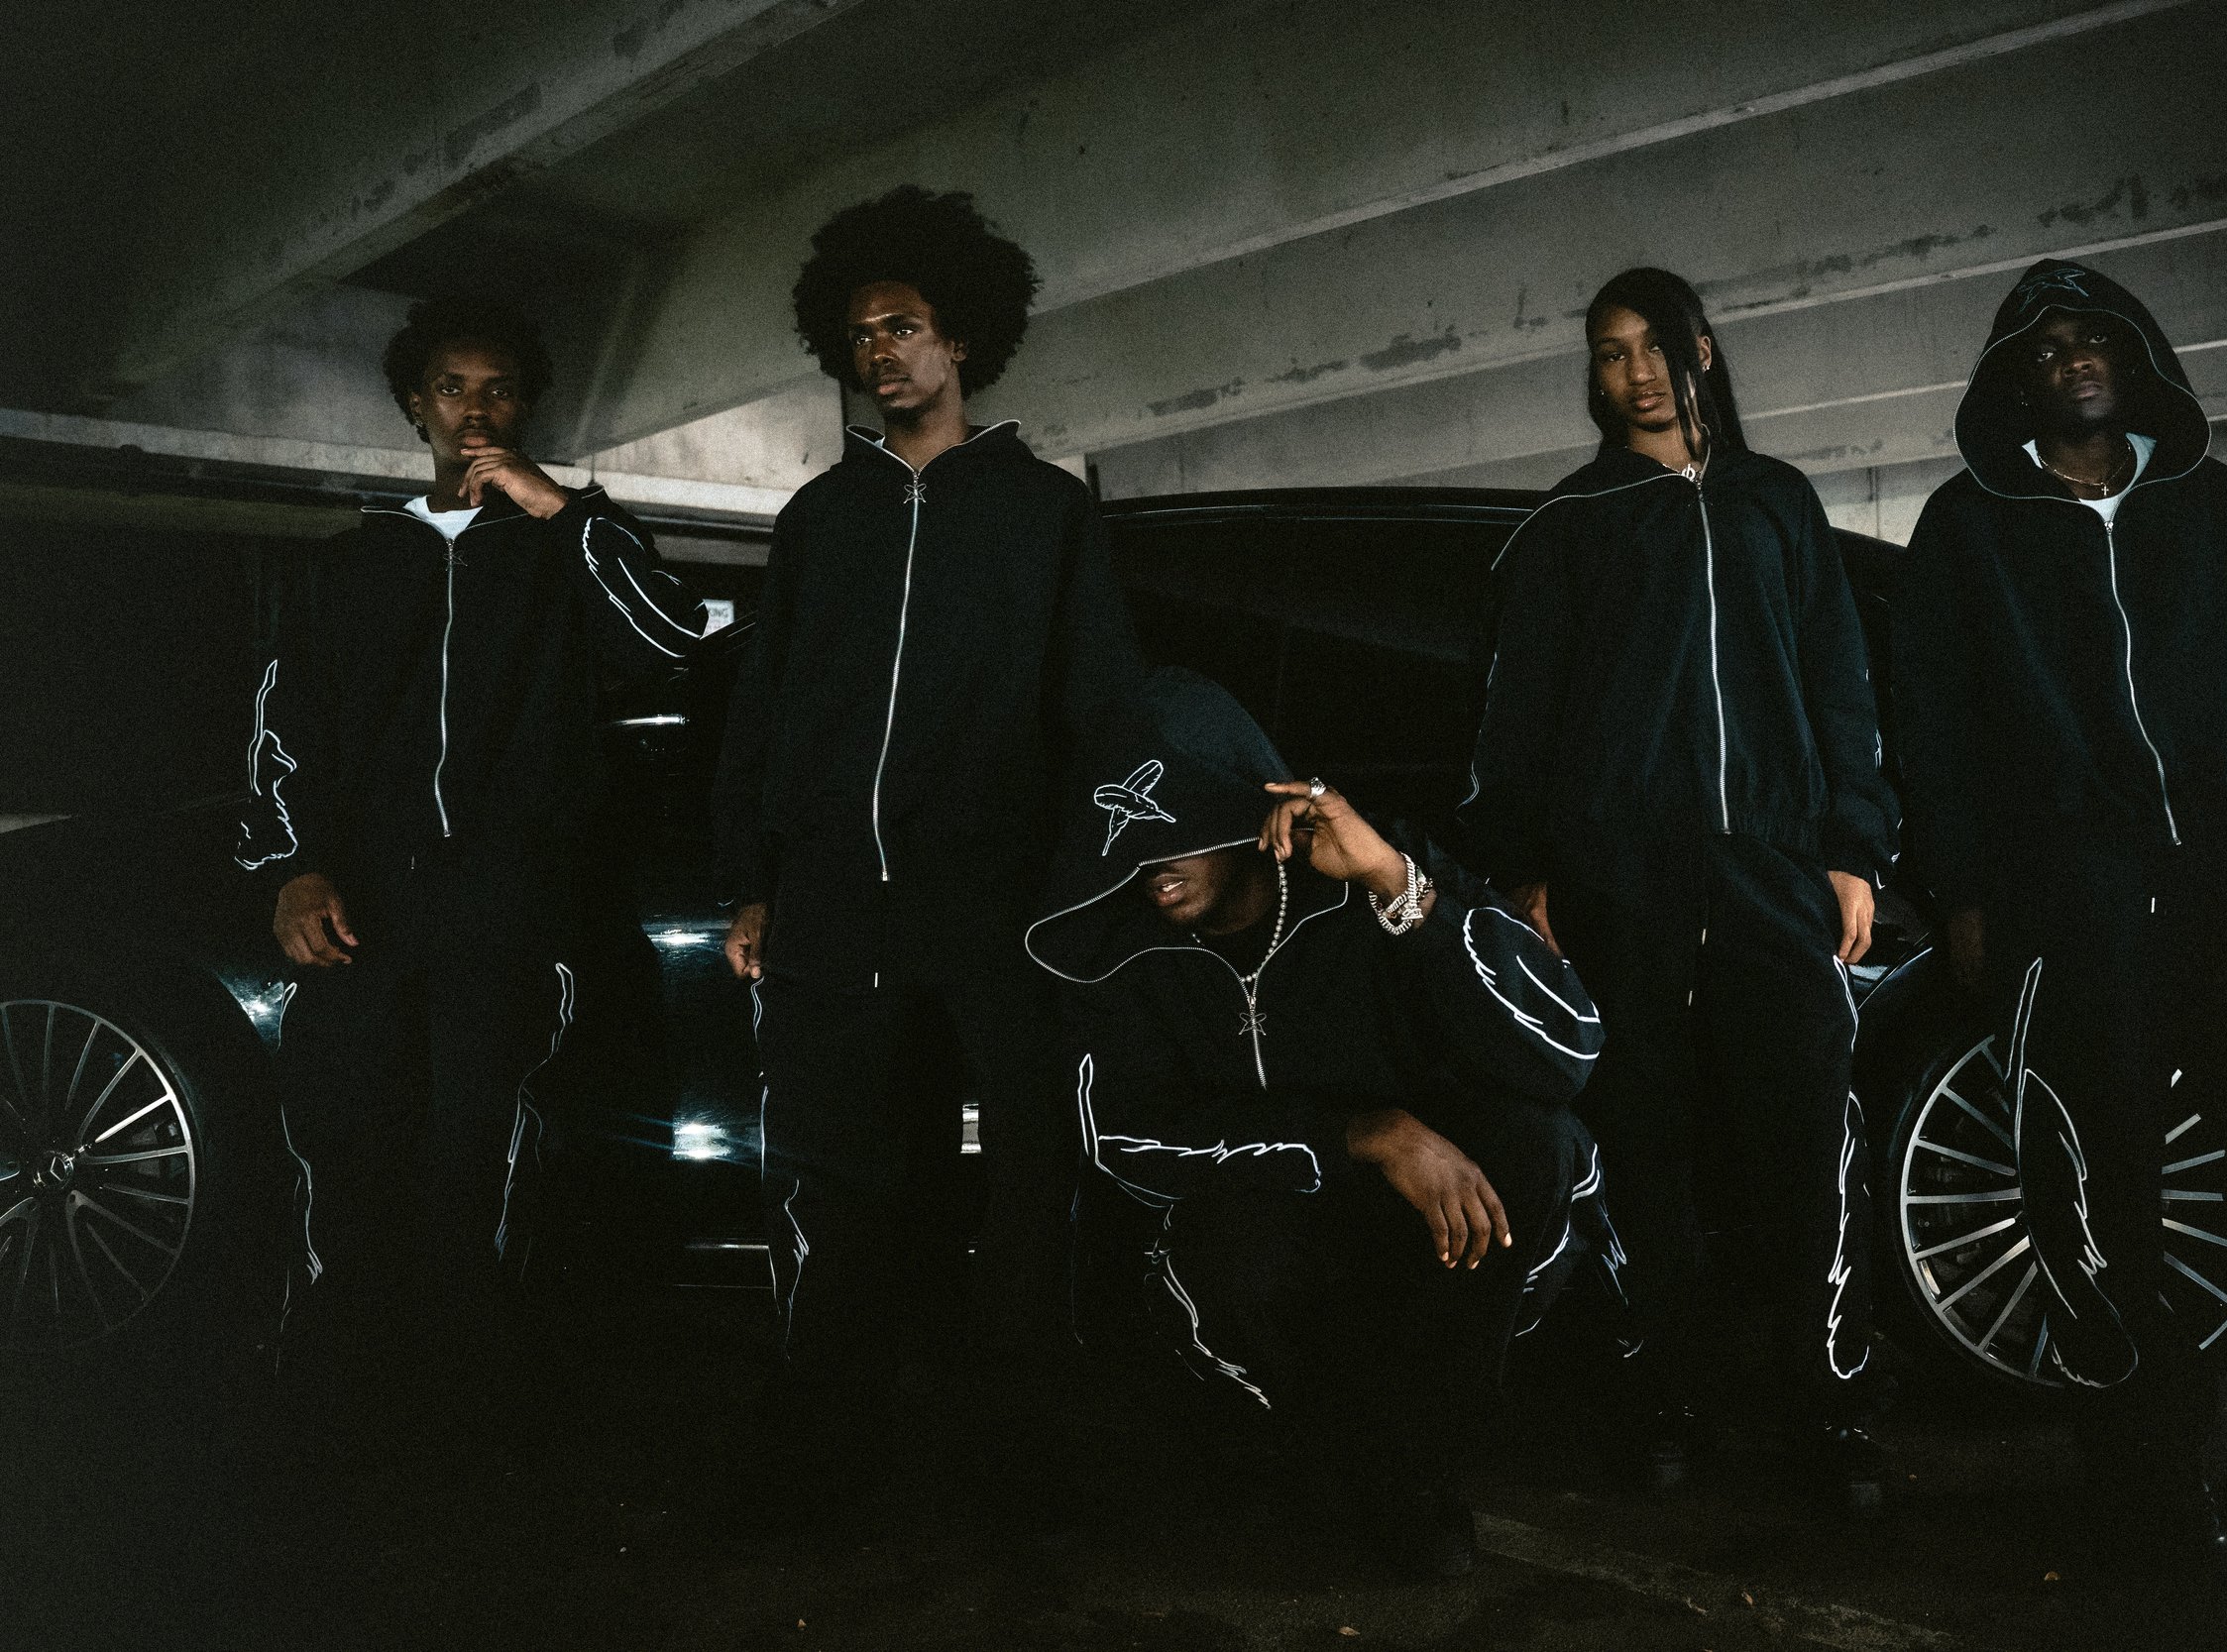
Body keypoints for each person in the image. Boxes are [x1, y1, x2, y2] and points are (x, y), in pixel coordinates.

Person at [1893, 258, 2227, 1567]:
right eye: (2042, 350)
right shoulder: (1965, 529)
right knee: (2097, 1191)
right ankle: (2149, 1480)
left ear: (2137, 355)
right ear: (2014, 385)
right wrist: (1970, 894)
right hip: (2071, 895)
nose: (2071, 359)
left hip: (2226, 874)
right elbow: (1933, 727)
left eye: (2091, 336)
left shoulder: (2213, 506)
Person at [1460, 267, 1899, 1512]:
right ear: (1592, 377)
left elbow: (1839, 686)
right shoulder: (1567, 526)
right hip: (1622, 886)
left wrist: (1852, 850)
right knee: (1643, 1156)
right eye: (1609, 353)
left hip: (1771, 877)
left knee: (1807, 1150)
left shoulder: (1777, 504)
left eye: (1654, 344)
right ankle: (1668, 1402)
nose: (1635, 370)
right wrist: (1527, 871)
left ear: (1701, 350)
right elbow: (1514, 724)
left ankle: (1830, 1410)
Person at [1028, 668, 1612, 1578]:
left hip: (1423, 1236)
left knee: (1540, 1150)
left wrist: (1393, 882)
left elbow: (1566, 1046)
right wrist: (1358, 1134)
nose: (1149, 866)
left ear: (1242, 808)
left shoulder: (1378, 873)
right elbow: (1126, 1135)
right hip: (1268, 1234)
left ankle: (1397, 1467)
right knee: (1222, 1254)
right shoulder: (1126, 950)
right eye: (1127, 844)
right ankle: (1355, 1464)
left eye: (1174, 828)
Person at [711, 186, 1141, 1418]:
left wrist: (1081, 890)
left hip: (997, 909)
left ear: (959, 336)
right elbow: (765, 716)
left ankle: (1020, 1436)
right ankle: (834, 1431)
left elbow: (1103, 712)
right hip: (839, 911)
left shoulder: (1045, 513)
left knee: (1024, 1180)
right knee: (843, 1181)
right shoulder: (818, 520)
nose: (879, 354)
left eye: (900, 327)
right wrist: (753, 877)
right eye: (858, 337)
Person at [238, 296, 708, 1379]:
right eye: (452, 387)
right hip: (363, 893)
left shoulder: (564, 548)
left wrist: (569, 510)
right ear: (417, 405)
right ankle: (338, 1360)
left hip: (510, 892)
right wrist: (292, 867)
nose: (475, 410)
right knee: (344, 1118)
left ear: (527, 404)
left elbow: (674, 637)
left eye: (498, 388)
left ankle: (472, 1368)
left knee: (480, 1134)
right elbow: (282, 721)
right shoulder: (351, 562)